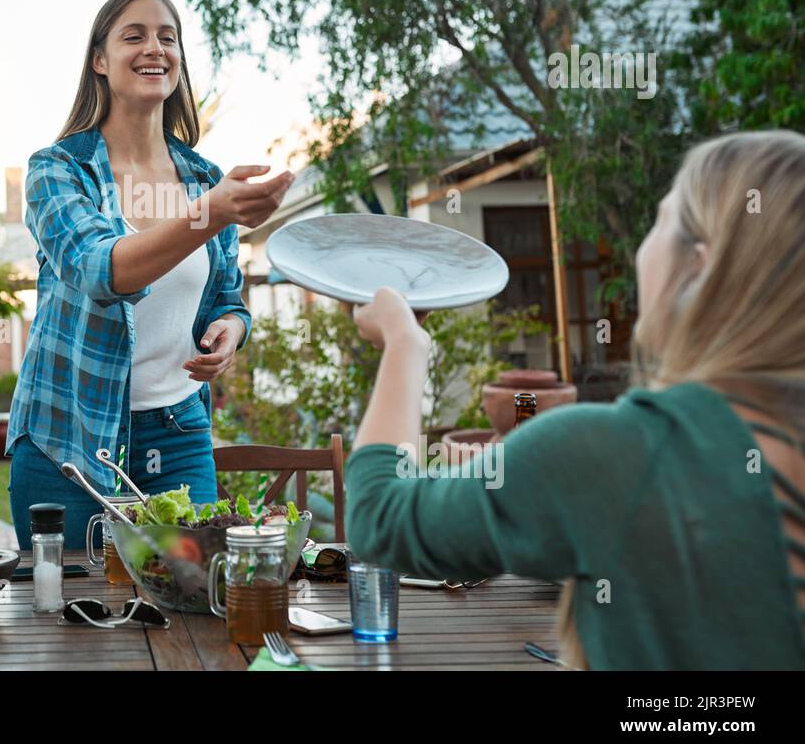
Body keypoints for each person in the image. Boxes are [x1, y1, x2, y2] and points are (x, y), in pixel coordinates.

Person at [344, 130, 805, 670]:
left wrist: (404, 343)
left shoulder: (612, 454)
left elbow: (380, 520)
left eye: (661, 219)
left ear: (697, 268)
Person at [5, 0, 293, 548]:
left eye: (167, 36)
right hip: (68, 438)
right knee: (74, 615)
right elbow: (99, 270)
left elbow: (227, 299)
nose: (153, 47)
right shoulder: (58, 171)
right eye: (132, 35)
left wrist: (231, 331)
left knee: (193, 597)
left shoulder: (205, 180)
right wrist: (208, 216)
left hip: (178, 432)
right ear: (99, 61)